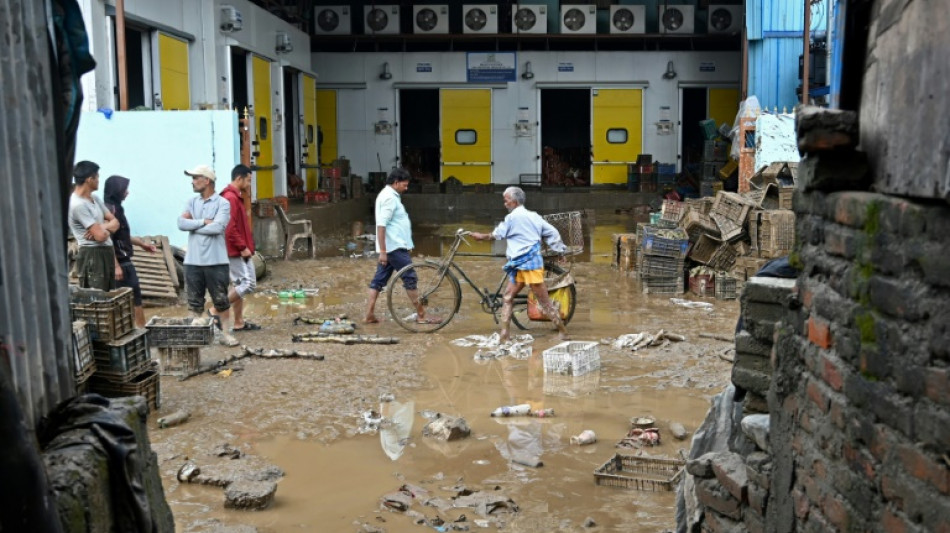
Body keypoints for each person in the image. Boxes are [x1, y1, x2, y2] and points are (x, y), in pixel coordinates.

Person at [471, 186, 570, 342]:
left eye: (506, 200)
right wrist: (559, 250)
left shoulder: (512, 218)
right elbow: (552, 232)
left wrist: (480, 236)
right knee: (508, 296)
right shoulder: (534, 216)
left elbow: (496, 235)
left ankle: (563, 332)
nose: (505, 204)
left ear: (514, 202)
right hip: (519, 266)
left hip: (530, 265)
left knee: (544, 302)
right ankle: (504, 334)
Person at [177, 164, 238, 346]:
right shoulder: (191, 202)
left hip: (216, 261)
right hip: (192, 261)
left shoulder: (222, 203)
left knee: (221, 300)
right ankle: (197, 335)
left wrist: (193, 226)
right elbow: (181, 223)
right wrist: (203, 222)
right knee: (194, 301)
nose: (193, 182)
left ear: (207, 181)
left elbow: (218, 227)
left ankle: (226, 334)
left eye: (196, 178)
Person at [363, 168, 431, 325]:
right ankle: (421, 314)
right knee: (410, 277)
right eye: (404, 185)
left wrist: (384, 251)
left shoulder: (389, 195)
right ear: (396, 182)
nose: (406, 188)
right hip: (394, 247)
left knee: (378, 281)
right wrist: (383, 252)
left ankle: (369, 315)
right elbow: (381, 225)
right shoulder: (389, 198)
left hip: (391, 247)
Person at [103, 175, 158, 328]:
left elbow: (123, 235)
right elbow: (107, 240)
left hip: (124, 261)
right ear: (116, 191)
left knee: (134, 298)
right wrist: (116, 266)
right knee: (132, 299)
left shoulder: (117, 208)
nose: (127, 192)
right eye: (124, 189)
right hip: (120, 263)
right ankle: (140, 331)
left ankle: (140, 330)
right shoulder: (110, 210)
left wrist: (142, 244)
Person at [218, 164, 261, 332]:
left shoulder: (233, 196)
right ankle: (215, 311)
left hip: (235, 249)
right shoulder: (231, 198)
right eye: (248, 181)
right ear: (239, 178)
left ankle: (238, 322)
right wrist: (242, 247)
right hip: (235, 250)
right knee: (248, 284)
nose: (249, 184)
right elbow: (229, 228)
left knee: (238, 284)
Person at [68, 160, 120, 291]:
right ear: (89, 179)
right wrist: (106, 227)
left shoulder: (95, 198)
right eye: (97, 177)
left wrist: (102, 227)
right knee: (97, 297)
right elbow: (101, 237)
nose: (98, 181)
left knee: (109, 295)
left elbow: (116, 223)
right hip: (92, 255)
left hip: (106, 252)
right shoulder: (78, 205)